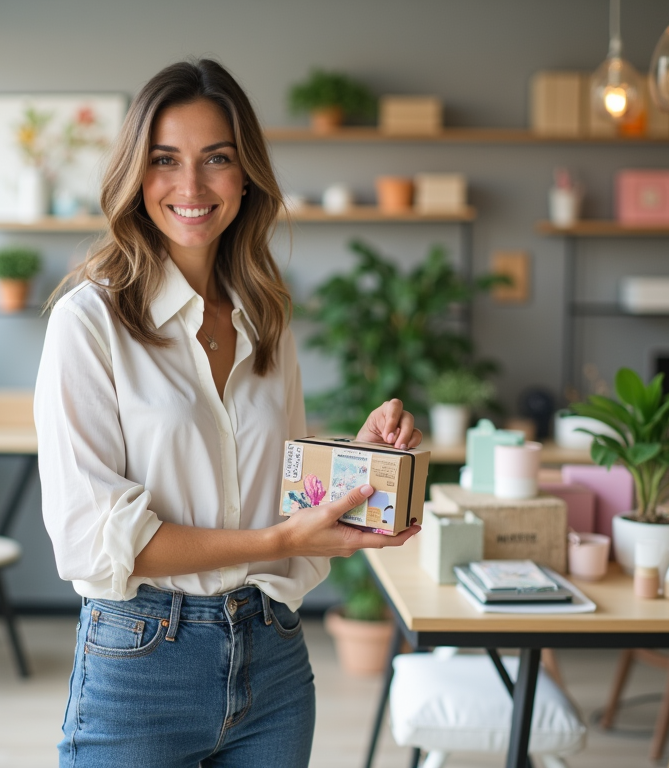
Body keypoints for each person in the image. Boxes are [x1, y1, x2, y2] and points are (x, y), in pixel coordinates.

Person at [34, 58, 423, 768]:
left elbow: (282, 495)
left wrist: (358, 459)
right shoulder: (88, 323)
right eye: (164, 161)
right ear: (135, 175)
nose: (191, 186)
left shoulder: (264, 319)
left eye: (216, 159)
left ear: (245, 176)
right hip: (141, 666)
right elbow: (96, 539)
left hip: (272, 662)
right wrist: (276, 541)